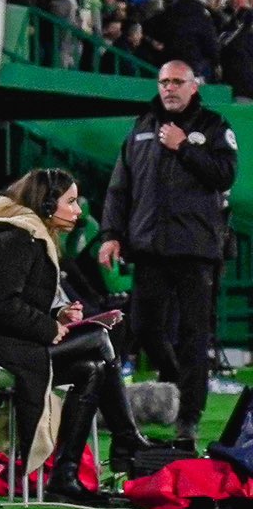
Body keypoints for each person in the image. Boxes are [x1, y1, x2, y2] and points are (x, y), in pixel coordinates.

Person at [0, 170, 146, 497]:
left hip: (5, 346)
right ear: (46, 205)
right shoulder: (14, 239)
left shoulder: (29, 237)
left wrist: (55, 315)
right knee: (98, 338)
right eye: (71, 201)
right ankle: (126, 437)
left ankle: (66, 474)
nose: (78, 211)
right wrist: (48, 327)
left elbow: (10, 302)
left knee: (93, 369)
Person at [99, 60, 237, 448]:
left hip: (196, 250)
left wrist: (183, 148)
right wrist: (111, 235)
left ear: (194, 86)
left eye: (178, 81)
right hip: (150, 249)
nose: (169, 88)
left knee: (195, 335)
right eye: (164, 82)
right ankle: (178, 382)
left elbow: (225, 174)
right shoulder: (142, 127)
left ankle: (188, 419)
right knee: (144, 328)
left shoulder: (214, 126)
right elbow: (119, 188)